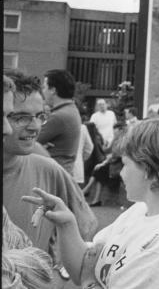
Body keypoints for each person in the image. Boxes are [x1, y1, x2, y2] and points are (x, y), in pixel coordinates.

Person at [22, 118, 159, 288]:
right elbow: (83, 268)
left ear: (148, 170)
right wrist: (67, 223)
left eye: (125, 164)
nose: (121, 173)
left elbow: (86, 275)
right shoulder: (140, 211)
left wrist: (87, 279)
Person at [3, 70, 96, 276]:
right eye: (21, 117)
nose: (35, 126)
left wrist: (60, 273)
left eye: (40, 116)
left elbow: (86, 225)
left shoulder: (48, 169)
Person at [37, 69, 81, 176]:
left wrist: (38, 147)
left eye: (44, 87)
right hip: (62, 173)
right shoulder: (71, 109)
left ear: (53, 90)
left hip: (53, 176)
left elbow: (28, 142)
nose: (43, 91)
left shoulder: (59, 116)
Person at [72, 121, 94, 185]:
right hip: (77, 166)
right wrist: (82, 159)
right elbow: (89, 147)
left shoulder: (55, 124)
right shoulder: (82, 128)